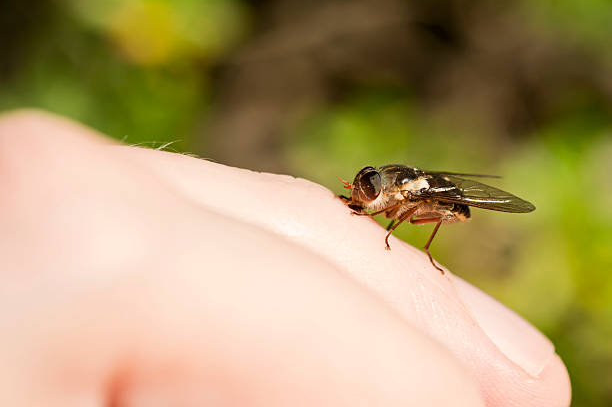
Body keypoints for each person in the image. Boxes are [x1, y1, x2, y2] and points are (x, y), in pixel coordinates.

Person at [0, 110, 570, 406]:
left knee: (444, 212)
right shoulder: (382, 185)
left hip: (440, 198)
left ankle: (424, 249)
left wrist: (391, 223)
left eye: (368, 189)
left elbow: (421, 199)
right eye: (363, 188)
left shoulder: (408, 194)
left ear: (389, 190)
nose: (362, 192)